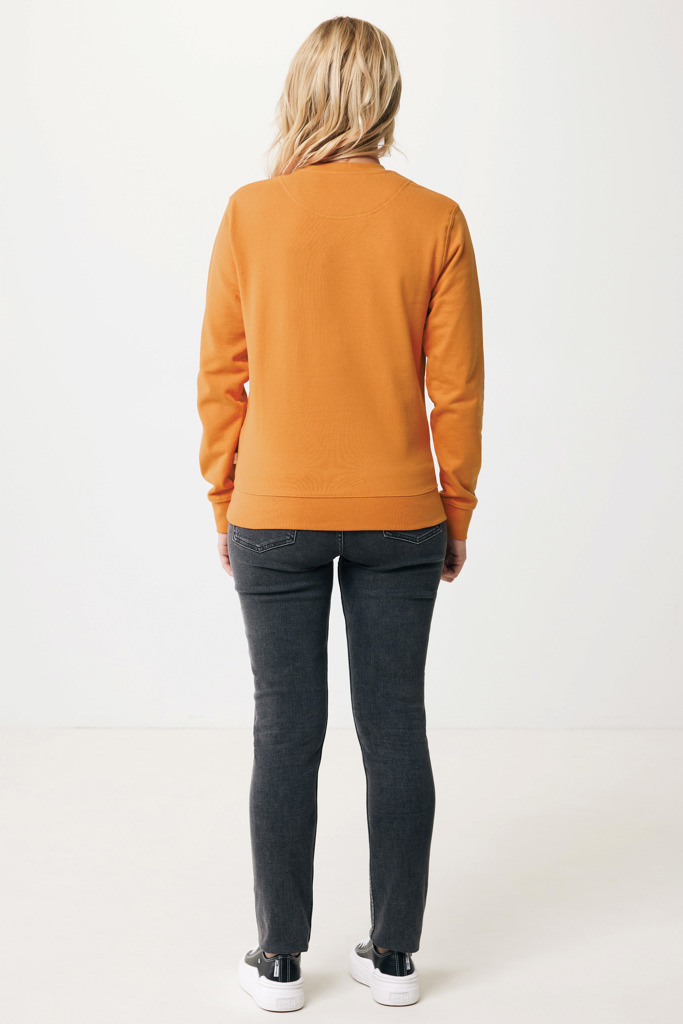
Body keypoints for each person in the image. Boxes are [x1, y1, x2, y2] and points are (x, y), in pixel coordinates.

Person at [196, 15, 484, 1012]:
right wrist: (455, 507)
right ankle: (394, 959)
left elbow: (219, 378)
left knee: (285, 730)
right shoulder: (435, 220)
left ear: (300, 94)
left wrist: (225, 499)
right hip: (401, 514)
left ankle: (279, 959)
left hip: (271, 511)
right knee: (394, 725)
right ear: (386, 100)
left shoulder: (250, 214)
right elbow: (457, 391)